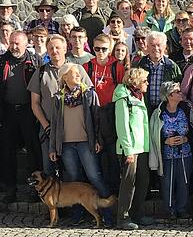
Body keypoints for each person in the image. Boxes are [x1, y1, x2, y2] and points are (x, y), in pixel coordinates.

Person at [48, 62, 113, 226]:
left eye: (79, 73)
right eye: (74, 73)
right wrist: (53, 147)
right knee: (73, 180)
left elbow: (97, 119)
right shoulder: (58, 97)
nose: (78, 76)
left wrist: (98, 139)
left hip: (86, 142)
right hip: (67, 145)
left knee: (94, 176)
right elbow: (55, 124)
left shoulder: (89, 94)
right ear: (64, 77)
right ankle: (79, 215)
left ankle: (109, 214)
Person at [30, 35, 93, 179]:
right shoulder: (40, 73)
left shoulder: (77, 69)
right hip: (49, 129)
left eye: (58, 47)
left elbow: (89, 94)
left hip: (73, 132)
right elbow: (35, 104)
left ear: (65, 48)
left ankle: (77, 201)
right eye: (51, 48)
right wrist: (46, 126)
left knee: (75, 172)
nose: (54, 51)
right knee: (49, 169)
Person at [0, 31, 42, 203]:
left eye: (17, 43)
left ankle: (35, 189)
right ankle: (10, 190)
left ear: (26, 44)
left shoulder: (34, 62)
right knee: (6, 152)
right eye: (12, 43)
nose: (14, 46)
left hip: (28, 111)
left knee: (33, 150)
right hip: (7, 111)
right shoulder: (2, 61)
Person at [84, 34, 125, 194]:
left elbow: (122, 89)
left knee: (113, 155)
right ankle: (98, 192)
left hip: (111, 112)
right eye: (97, 49)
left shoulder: (117, 67)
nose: (100, 52)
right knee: (97, 153)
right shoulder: (88, 66)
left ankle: (114, 190)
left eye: (104, 49)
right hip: (94, 111)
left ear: (110, 50)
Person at [113, 67, 152, 230]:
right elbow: (122, 125)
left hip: (141, 146)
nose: (147, 83)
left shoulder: (139, 96)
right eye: (144, 81)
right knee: (128, 183)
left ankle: (137, 213)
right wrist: (128, 150)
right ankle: (123, 217)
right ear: (134, 82)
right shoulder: (124, 98)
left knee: (143, 180)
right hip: (130, 149)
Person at [137, 31, 182, 114]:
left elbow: (178, 90)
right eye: (152, 45)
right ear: (147, 46)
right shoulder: (139, 65)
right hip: (143, 110)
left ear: (165, 47)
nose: (156, 48)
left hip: (166, 111)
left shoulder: (172, 67)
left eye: (159, 45)